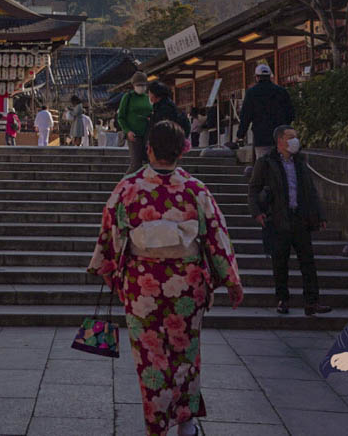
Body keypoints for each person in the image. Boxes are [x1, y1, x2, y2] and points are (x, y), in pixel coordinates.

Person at [89, 120, 244, 436]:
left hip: (141, 286)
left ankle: (156, 426)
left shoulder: (128, 189)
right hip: (186, 285)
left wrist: (108, 269)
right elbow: (216, 234)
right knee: (185, 353)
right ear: (183, 151)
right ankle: (186, 426)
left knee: (151, 359)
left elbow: (111, 233)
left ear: (148, 150)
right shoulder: (195, 190)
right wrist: (229, 278)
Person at [248, 125, 332, 315]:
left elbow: (310, 190)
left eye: (295, 137)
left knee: (308, 262)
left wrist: (320, 215)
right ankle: (282, 299)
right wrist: (257, 212)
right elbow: (253, 189)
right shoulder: (266, 162)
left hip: (300, 218)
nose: (295, 140)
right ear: (280, 141)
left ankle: (312, 301)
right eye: (290, 137)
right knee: (280, 262)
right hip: (278, 218)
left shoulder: (300, 162)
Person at [237, 63, 295, 163]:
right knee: (281, 163)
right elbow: (290, 113)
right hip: (280, 135)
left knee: (263, 164)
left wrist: (240, 135)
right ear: (270, 77)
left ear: (257, 77)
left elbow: (246, 116)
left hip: (261, 136)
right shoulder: (281, 91)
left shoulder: (251, 93)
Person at [117, 73, 153, 173]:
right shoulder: (128, 97)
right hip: (133, 134)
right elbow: (121, 117)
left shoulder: (148, 98)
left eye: (143, 85)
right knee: (136, 163)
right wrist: (127, 131)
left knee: (148, 163)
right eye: (138, 85)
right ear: (133, 86)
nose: (141, 87)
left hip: (147, 134)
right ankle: (125, 185)